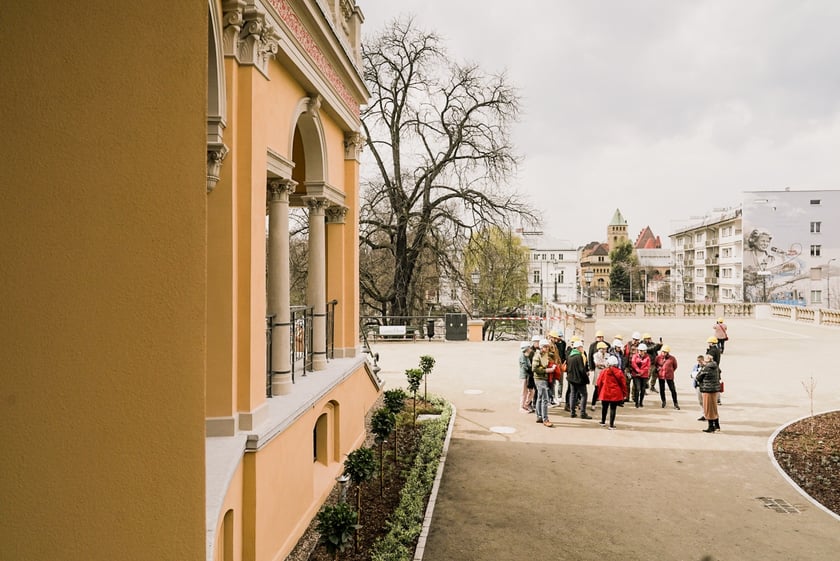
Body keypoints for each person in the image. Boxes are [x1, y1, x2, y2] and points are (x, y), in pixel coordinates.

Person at [597, 355, 628, 429]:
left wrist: (599, 392)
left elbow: (599, 382)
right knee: (613, 409)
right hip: (615, 393)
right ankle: (611, 425)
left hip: (605, 392)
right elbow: (623, 384)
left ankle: (603, 421)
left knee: (604, 407)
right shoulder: (619, 372)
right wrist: (624, 393)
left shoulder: (604, 371)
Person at [531, 339, 556, 427]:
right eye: (545, 347)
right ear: (541, 347)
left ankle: (539, 416)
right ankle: (545, 419)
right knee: (545, 399)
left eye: (548, 347)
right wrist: (547, 370)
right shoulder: (537, 356)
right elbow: (534, 368)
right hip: (539, 378)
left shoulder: (545, 355)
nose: (547, 348)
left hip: (543, 378)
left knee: (540, 397)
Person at [695, 354, 722, 432]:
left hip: (707, 390)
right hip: (715, 389)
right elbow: (720, 372)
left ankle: (711, 427)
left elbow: (698, 377)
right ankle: (717, 425)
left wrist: (702, 368)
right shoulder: (716, 366)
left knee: (708, 408)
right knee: (714, 408)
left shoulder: (706, 368)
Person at [566, 340, 591, 419]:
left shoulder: (570, 356)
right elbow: (581, 369)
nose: (582, 349)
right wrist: (586, 378)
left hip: (571, 378)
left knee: (573, 394)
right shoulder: (579, 356)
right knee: (584, 395)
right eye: (581, 347)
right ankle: (583, 413)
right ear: (578, 348)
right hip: (579, 379)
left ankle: (572, 412)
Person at [653, 345, 679, 409]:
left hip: (669, 376)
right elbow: (655, 365)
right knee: (662, 389)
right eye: (663, 352)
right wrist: (658, 369)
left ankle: (675, 403)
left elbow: (675, 366)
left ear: (668, 352)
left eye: (665, 352)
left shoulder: (672, 358)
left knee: (673, 390)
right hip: (661, 376)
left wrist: (670, 371)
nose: (664, 353)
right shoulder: (658, 358)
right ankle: (663, 401)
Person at [630, 342, 651, 408]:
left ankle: (641, 402)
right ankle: (636, 402)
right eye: (639, 350)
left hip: (644, 375)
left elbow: (647, 366)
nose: (640, 352)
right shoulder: (635, 356)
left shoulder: (647, 357)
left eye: (642, 351)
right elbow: (633, 364)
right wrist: (638, 371)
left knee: (643, 389)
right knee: (637, 388)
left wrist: (642, 372)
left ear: (645, 351)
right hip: (636, 375)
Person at [591, 341, 609, 408]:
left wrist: (603, 365)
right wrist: (604, 365)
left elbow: (608, 364)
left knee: (604, 389)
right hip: (598, 373)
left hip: (605, 373)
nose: (605, 350)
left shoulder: (608, 355)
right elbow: (597, 364)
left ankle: (604, 403)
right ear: (600, 349)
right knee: (597, 388)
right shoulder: (596, 355)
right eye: (604, 348)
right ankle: (593, 404)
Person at [519, 341, 535, 413]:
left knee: (531, 392)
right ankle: (521, 407)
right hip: (524, 376)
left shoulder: (527, 356)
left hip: (527, 376)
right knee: (524, 392)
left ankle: (526, 405)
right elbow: (525, 367)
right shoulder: (523, 356)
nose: (530, 349)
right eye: (529, 348)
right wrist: (532, 369)